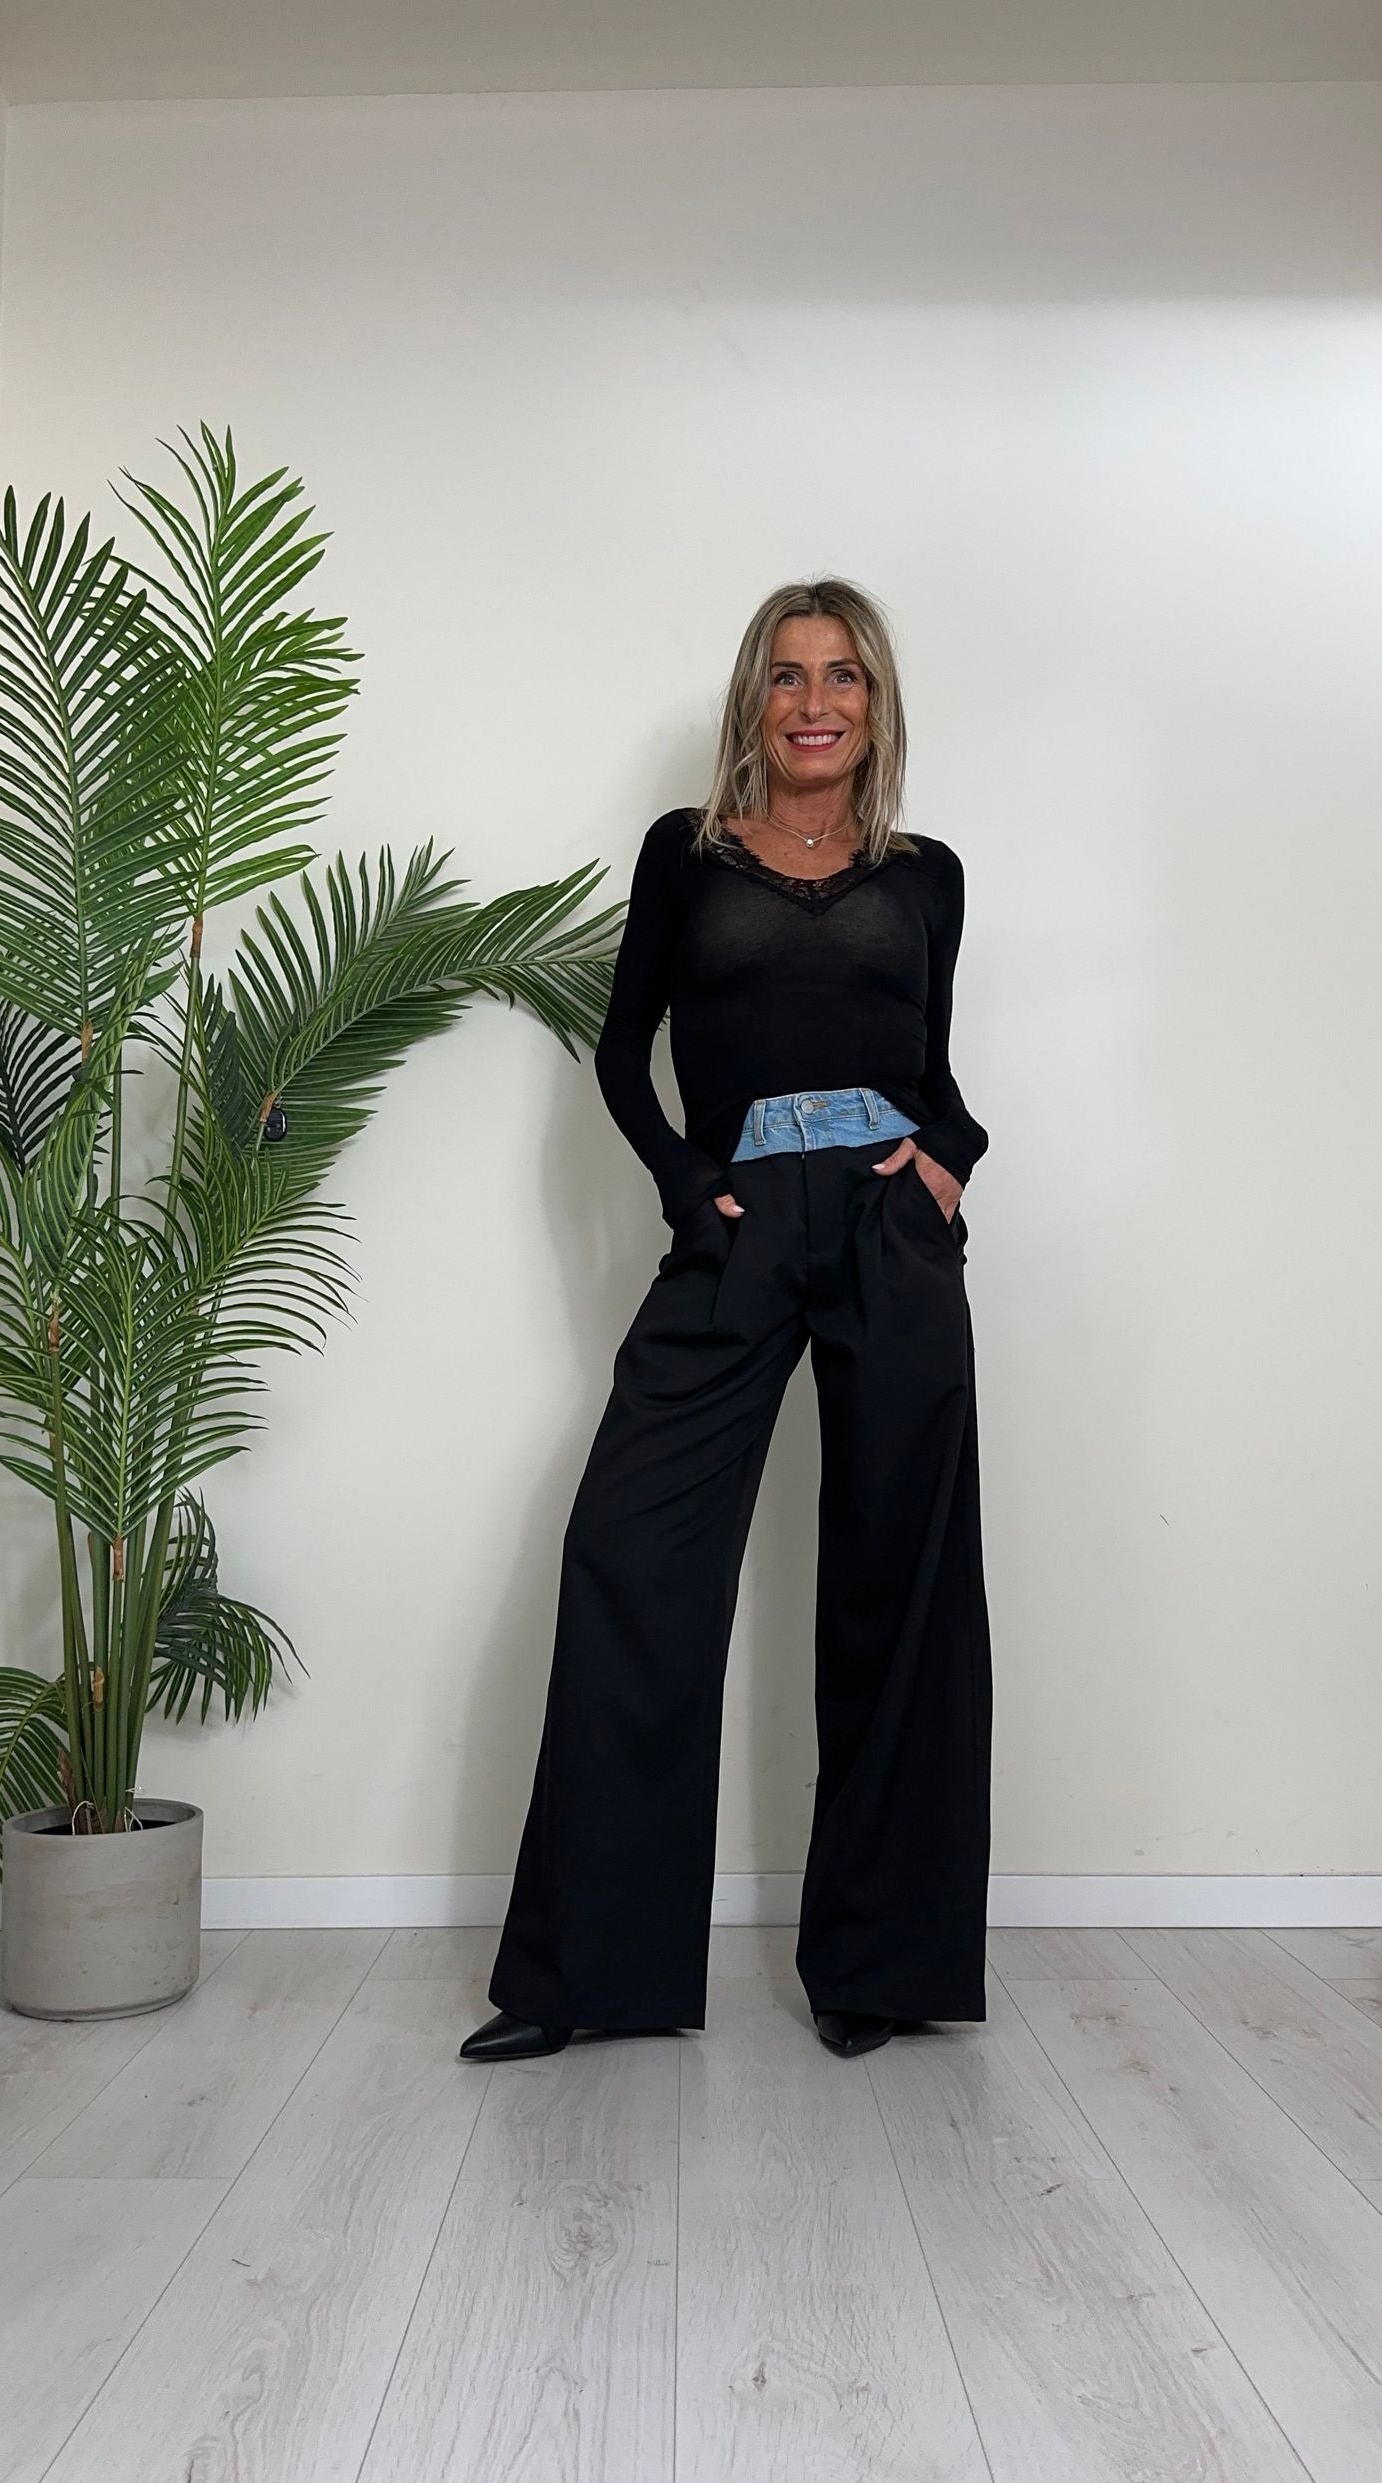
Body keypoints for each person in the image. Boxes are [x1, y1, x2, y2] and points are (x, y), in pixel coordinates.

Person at [461, 577, 993, 2063]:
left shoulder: (928, 875)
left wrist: (952, 1161)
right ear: (754, 698)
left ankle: (881, 1969)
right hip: (740, 1224)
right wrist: (693, 1191)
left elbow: (937, 1071)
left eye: (844, 676)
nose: (815, 702)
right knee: (631, 1551)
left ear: (876, 703)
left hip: (889, 1230)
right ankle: (587, 1976)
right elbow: (623, 1054)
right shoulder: (685, 855)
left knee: (901, 1578)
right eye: (787, 675)